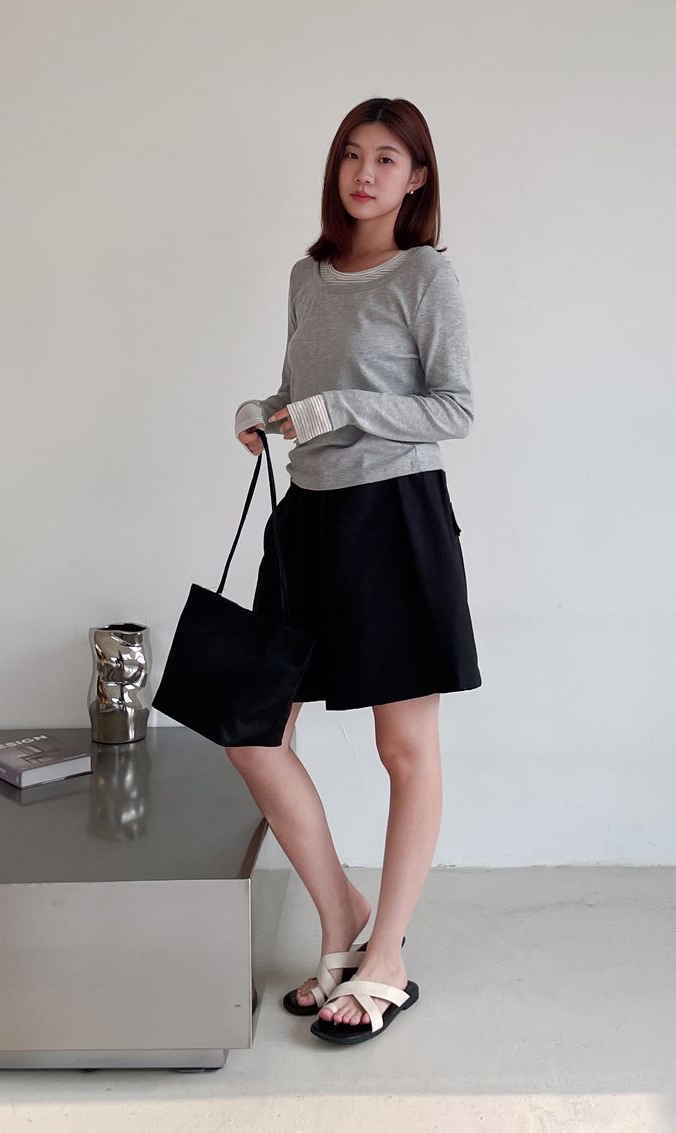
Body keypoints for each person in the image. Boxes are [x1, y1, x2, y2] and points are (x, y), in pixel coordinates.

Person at [227, 96, 482, 1045]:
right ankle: (342, 911)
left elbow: (454, 409)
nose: (363, 174)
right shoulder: (310, 276)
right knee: (250, 728)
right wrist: (263, 410)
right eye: (351, 155)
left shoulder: (425, 276)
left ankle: (387, 958)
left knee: (403, 747)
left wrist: (347, 406)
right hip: (307, 522)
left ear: (416, 179)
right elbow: (299, 390)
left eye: (385, 159)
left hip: (395, 520)